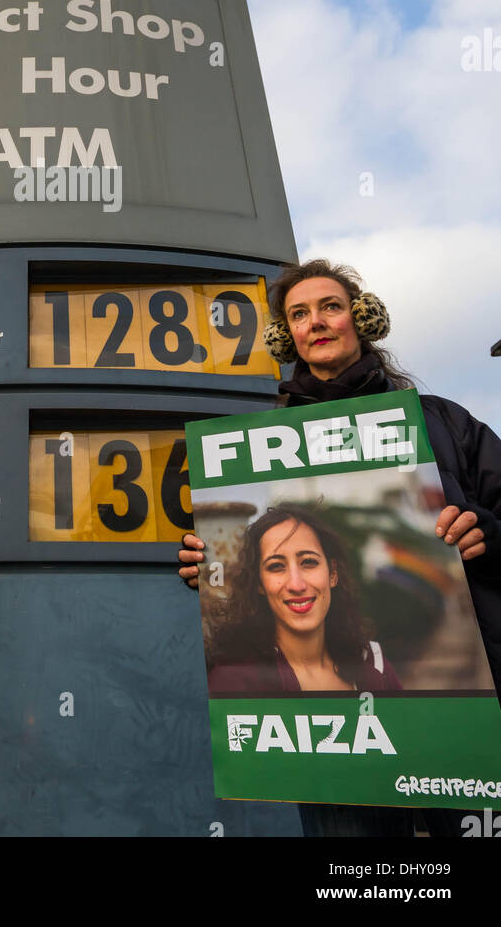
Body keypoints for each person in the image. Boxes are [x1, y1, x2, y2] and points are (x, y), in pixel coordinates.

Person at [179, 257, 501, 836]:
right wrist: (209, 567)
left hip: (472, 717)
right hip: (330, 746)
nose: (317, 322)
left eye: (331, 306)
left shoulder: (446, 424)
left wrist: (488, 533)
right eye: (299, 314)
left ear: (364, 318)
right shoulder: (253, 449)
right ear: (288, 335)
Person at [205, 503, 402, 695]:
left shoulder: (374, 666)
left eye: (308, 562)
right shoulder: (233, 681)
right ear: (259, 584)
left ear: (332, 573)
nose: (296, 585)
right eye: (276, 566)